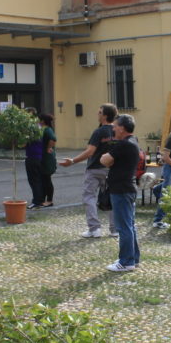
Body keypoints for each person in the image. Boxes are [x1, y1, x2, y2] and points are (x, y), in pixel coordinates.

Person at [60, 104, 117, 238]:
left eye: (99, 112)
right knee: (111, 198)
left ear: (105, 116)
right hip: (110, 169)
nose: (97, 114)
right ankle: (115, 229)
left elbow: (90, 151)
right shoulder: (117, 130)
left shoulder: (99, 132)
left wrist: (72, 161)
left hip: (95, 169)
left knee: (89, 196)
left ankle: (94, 228)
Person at [100, 115, 140, 272]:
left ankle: (126, 261)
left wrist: (108, 158)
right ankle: (133, 258)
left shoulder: (123, 144)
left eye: (115, 125)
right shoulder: (133, 141)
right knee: (130, 225)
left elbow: (104, 160)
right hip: (127, 188)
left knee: (123, 227)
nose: (113, 128)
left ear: (122, 128)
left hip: (121, 190)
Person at [39, 114, 58, 207]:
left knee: (47, 179)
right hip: (43, 158)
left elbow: (53, 139)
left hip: (48, 158)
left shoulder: (48, 130)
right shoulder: (44, 129)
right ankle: (42, 199)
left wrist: (49, 148)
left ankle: (50, 200)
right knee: (43, 179)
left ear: (42, 121)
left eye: (39, 119)